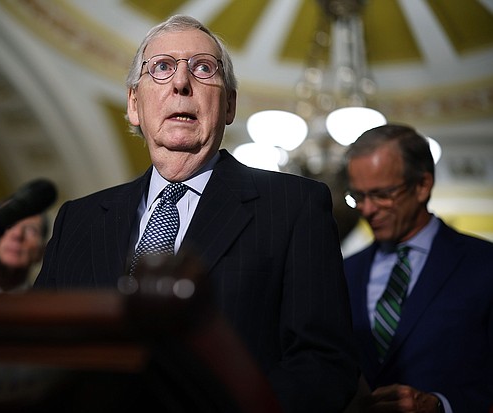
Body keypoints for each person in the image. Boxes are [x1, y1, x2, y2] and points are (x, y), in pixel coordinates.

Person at [34, 14, 358, 412]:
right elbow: (40, 351)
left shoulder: (294, 206)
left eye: (203, 68)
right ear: (135, 104)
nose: (181, 83)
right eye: (162, 67)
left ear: (229, 105)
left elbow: (323, 361)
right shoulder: (78, 221)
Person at [343, 124, 493, 413]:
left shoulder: (484, 265)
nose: (367, 210)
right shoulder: (344, 271)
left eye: (382, 194)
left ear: (423, 185)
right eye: (358, 197)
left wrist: (441, 406)